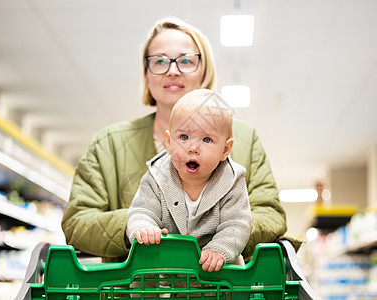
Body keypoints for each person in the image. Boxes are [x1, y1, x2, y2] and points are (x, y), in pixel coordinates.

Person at [61, 16, 288, 262]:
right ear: (146, 75)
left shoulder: (244, 138)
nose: (172, 70)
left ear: (204, 71)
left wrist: (224, 234)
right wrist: (140, 224)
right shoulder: (108, 144)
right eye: (159, 61)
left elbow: (271, 217)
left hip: (218, 288)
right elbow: (76, 222)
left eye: (186, 61)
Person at [127, 89, 251, 272]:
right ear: (169, 142)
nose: (193, 148)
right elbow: (142, 210)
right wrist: (144, 228)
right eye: (183, 137)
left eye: (207, 139)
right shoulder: (157, 175)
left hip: (215, 276)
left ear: (225, 150)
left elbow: (237, 224)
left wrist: (219, 249)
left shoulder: (232, 181)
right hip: (166, 272)